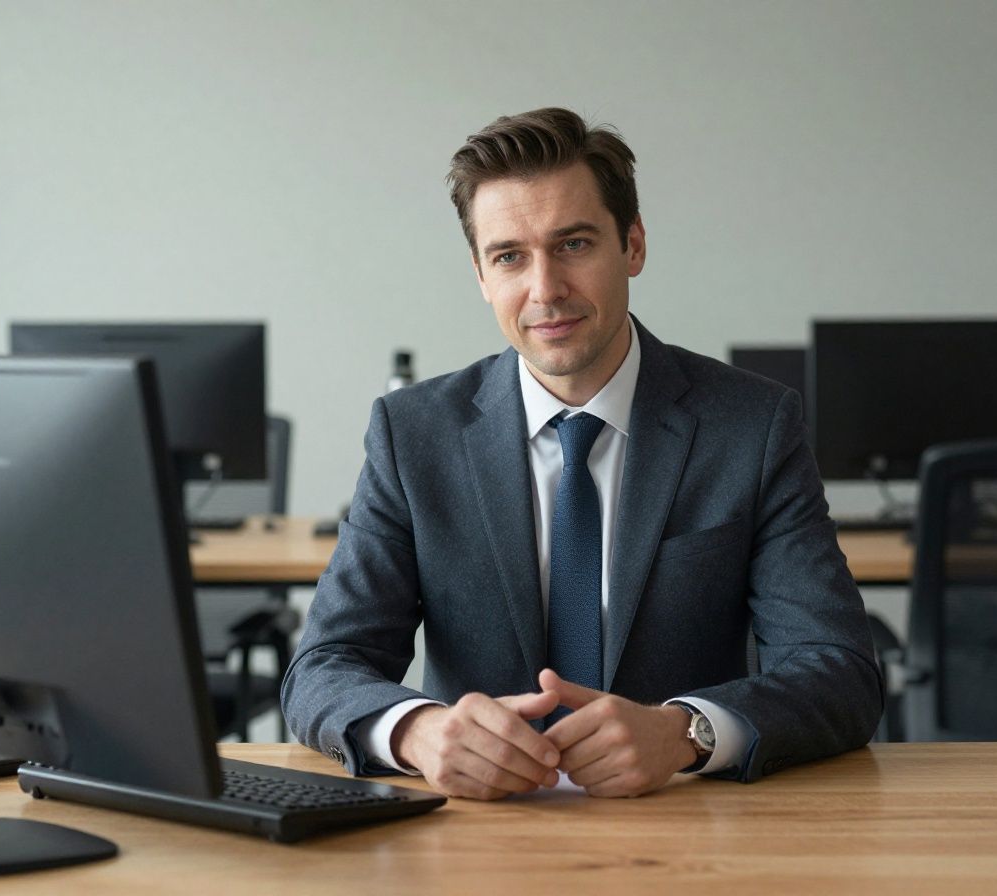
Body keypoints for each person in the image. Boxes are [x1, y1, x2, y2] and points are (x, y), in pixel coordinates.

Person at [282, 107, 883, 800]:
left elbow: (839, 670)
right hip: (479, 836)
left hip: (686, 829)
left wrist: (689, 732)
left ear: (632, 246)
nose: (545, 290)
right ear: (480, 273)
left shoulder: (751, 426)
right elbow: (323, 666)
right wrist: (418, 730)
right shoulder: (414, 434)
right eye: (510, 256)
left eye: (573, 244)